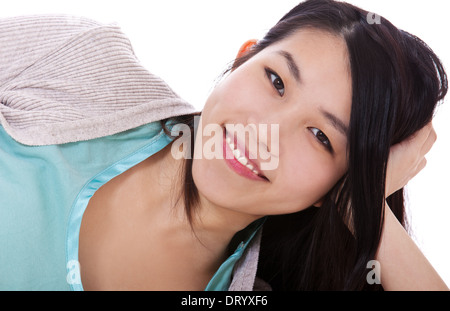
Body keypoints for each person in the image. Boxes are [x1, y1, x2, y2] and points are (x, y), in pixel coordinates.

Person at [0, 0, 447, 291]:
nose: (264, 133)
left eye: (320, 137)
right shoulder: (79, 60)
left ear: (334, 187)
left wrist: (369, 209)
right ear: (243, 57)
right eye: (276, 81)